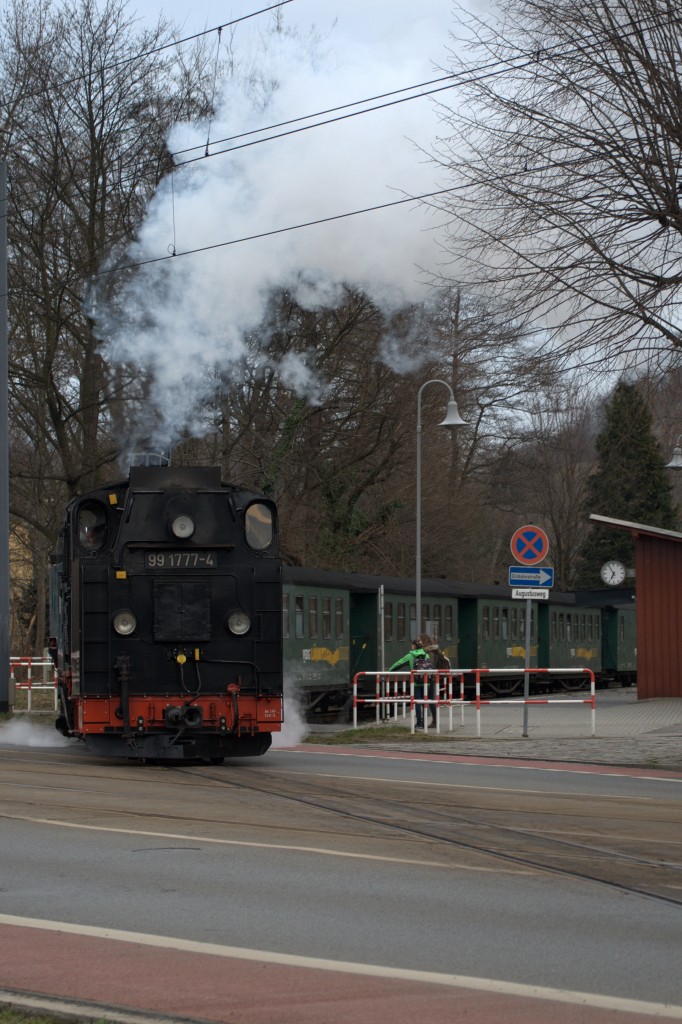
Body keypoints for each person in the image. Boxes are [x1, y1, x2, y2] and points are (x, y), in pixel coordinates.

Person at [389, 634, 433, 728]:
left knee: (417, 702)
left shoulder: (410, 655)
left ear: (414, 646)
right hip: (426, 682)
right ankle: (425, 722)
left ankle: (419, 723)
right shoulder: (426, 655)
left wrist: (389, 671)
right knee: (424, 702)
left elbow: (398, 664)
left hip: (416, 682)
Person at [425, 642, 451, 727]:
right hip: (432, 678)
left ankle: (434, 721)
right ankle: (433, 721)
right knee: (430, 699)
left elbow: (430, 667)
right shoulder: (438, 653)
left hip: (430, 679)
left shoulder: (431, 654)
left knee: (430, 699)